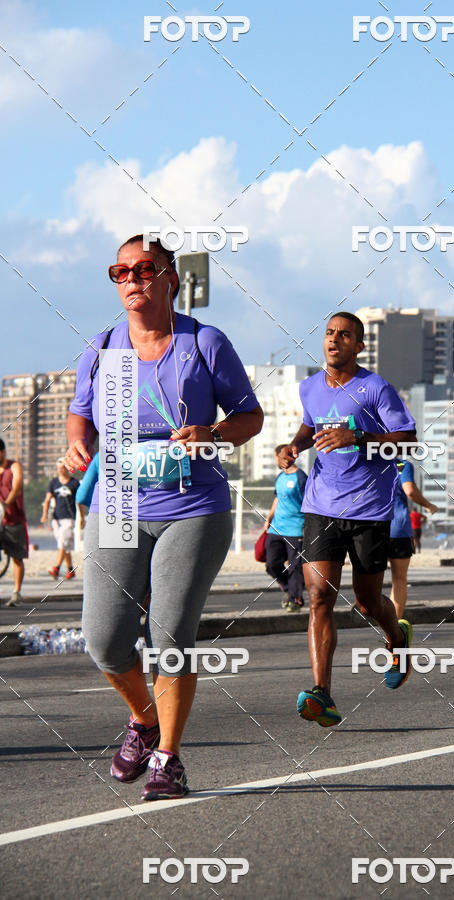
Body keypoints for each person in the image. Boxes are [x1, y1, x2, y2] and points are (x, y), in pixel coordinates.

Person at [65, 234, 263, 800]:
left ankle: (169, 759)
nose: (131, 280)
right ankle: (144, 720)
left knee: (168, 634)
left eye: (144, 269)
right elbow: (81, 415)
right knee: (104, 640)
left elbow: (249, 416)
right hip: (121, 501)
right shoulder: (103, 349)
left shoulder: (203, 343)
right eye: (120, 272)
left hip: (192, 506)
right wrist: (78, 446)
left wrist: (213, 432)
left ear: (170, 279)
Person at [280, 312, 417, 727]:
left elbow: (407, 443)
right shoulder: (309, 388)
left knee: (367, 602)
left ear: (359, 346)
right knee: (319, 594)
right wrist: (293, 446)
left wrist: (357, 437)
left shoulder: (375, 388)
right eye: (329, 333)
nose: (335, 340)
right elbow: (310, 427)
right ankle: (322, 691)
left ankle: (398, 640)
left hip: (369, 509)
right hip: (321, 505)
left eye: (345, 335)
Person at [389, 459, 438, 620]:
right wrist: (428, 504)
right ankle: (392, 629)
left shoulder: (366, 460)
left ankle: (375, 613)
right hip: (398, 528)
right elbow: (409, 490)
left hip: (369, 526)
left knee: (368, 582)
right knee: (399, 579)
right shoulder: (402, 464)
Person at [263, 444, 307, 611]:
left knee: (295, 566)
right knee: (271, 564)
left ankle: (295, 599)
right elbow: (277, 498)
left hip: (296, 529)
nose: (276, 461)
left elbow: (309, 503)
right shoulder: (280, 477)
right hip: (276, 528)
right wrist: (269, 517)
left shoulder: (301, 477)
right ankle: (289, 589)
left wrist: (307, 526)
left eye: (277, 457)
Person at [41, 459, 80, 579]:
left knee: (62, 541)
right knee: (65, 544)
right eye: (58, 468)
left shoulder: (74, 483)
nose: (60, 470)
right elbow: (47, 499)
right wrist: (44, 514)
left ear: (67, 468)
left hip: (69, 517)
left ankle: (57, 568)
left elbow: (79, 501)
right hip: (56, 518)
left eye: (62, 467)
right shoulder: (53, 482)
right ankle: (70, 569)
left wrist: (82, 517)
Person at [0, 438, 28, 606]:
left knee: (17, 556)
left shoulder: (14, 466)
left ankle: (17, 593)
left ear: (3, 452)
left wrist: (5, 505)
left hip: (14, 519)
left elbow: (17, 486)